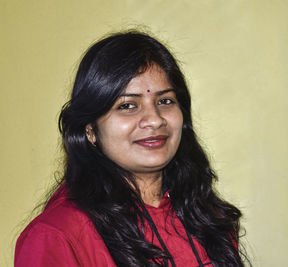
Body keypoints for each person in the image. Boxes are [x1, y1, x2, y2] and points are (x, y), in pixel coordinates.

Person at [15, 30, 248, 266]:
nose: (155, 119)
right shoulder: (58, 235)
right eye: (128, 105)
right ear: (90, 130)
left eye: (165, 101)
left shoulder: (207, 218)